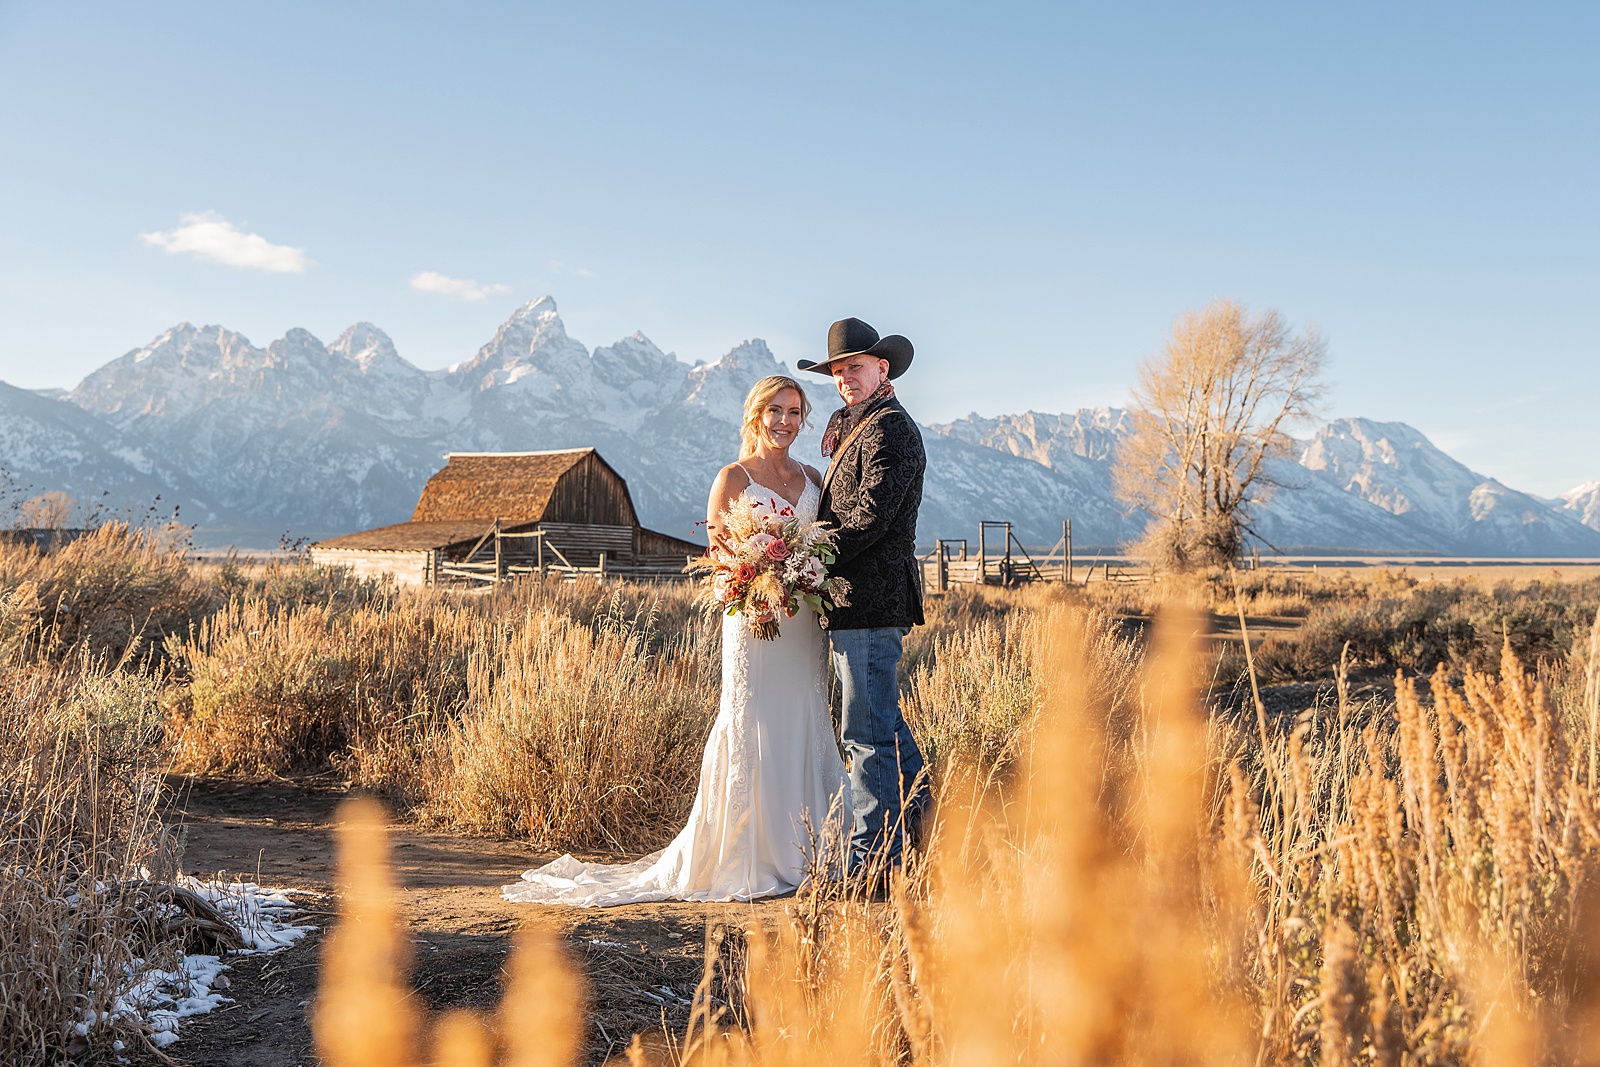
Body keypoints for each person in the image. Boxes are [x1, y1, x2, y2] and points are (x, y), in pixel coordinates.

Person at [502, 375, 848, 906]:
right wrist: (757, 580)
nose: (785, 421)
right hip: (755, 621)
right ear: (756, 416)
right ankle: (746, 852)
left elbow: (824, 544)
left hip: (800, 621)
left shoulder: (813, 478)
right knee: (754, 718)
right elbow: (719, 556)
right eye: (775, 411)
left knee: (803, 713)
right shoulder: (733, 478)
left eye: (795, 412)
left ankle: (808, 847)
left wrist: (802, 573)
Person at [796, 317, 927, 876]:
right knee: (881, 723)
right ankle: (927, 820)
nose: (845, 377)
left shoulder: (889, 429)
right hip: (856, 604)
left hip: (872, 602)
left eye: (855, 367)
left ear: (882, 368)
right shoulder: (859, 426)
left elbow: (870, 517)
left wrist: (810, 557)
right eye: (838, 371)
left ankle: (871, 863)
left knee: (866, 735)